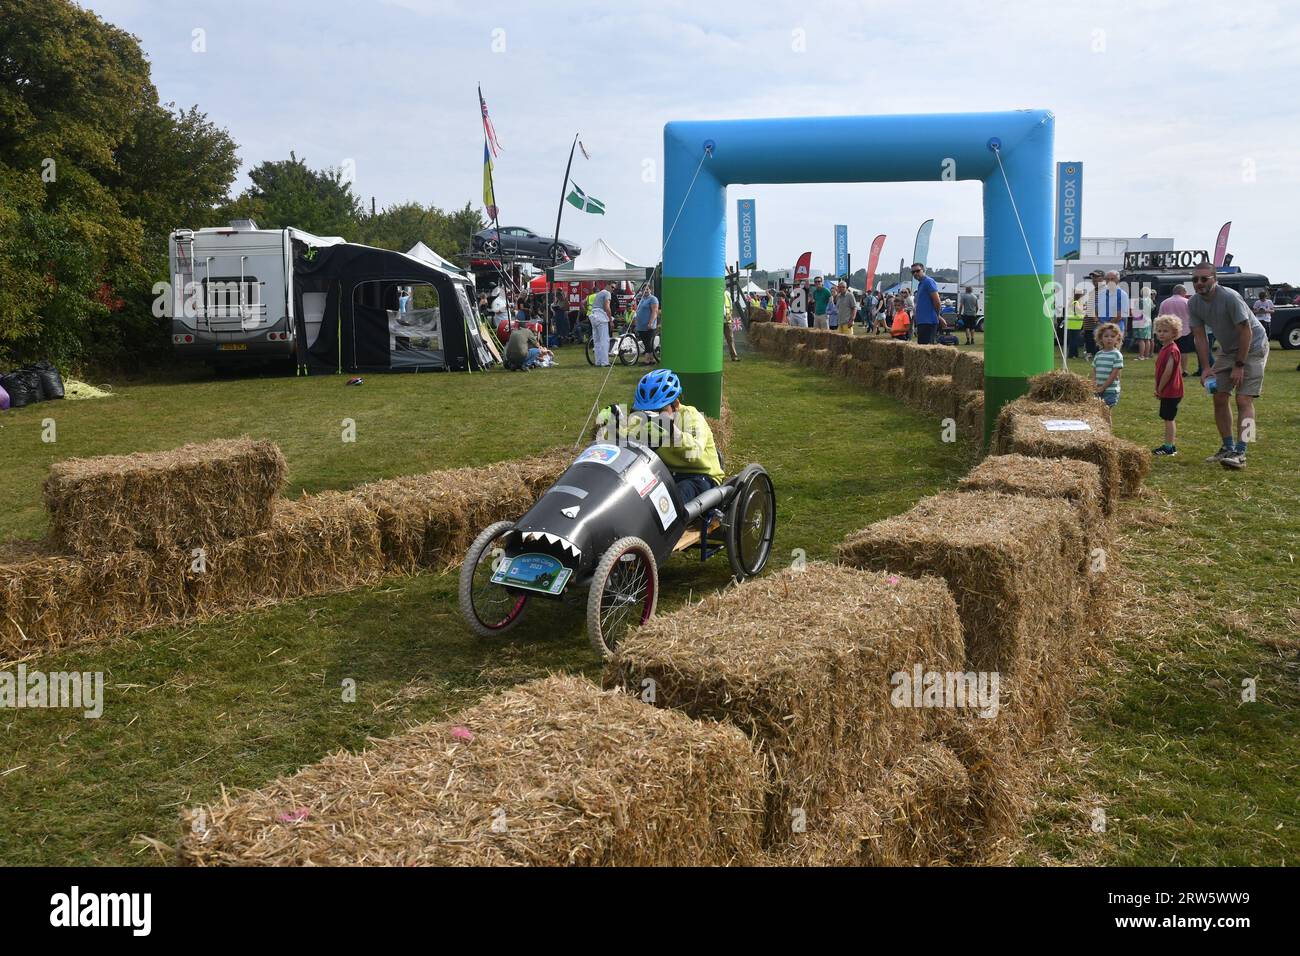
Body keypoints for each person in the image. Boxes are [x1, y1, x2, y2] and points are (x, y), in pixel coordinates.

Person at [596, 368, 724, 503]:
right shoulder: (646, 421)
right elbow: (627, 440)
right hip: (666, 473)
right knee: (635, 495)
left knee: (674, 499)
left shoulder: (691, 415)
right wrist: (613, 423)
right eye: (647, 412)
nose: (653, 417)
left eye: (659, 411)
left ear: (675, 404)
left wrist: (672, 431)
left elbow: (694, 451)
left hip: (700, 475)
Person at [1189, 261, 1270, 470]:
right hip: (1228, 350)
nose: (1199, 283)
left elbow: (1247, 332)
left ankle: (1242, 452)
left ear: (1215, 279)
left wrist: (1240, 365)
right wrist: (1206, 367)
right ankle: (1227, 447)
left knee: (1244, 399)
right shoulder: (1194, 303)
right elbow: (1200, 337)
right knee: (1219, 395)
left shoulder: (1230, 297)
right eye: (1195, 279)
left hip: (1253, 346)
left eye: (1204, 278)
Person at [1152, 315, 1183, 456]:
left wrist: (1160, 388)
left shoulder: (1172, 350)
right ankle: (1170, 445)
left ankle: (1169, 447)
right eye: (1159, 331)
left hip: (1171, 391)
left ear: (1174, 333)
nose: (1161, 334)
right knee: (1166, 417)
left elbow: (1168, 372)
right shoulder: (1165, 348)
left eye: (1165, 331)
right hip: (1167, 390)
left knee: (1169, 419)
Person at [1159, 284, 1194, 376]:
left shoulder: (1164, 302)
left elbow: (1160, 317)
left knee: (1169, 351)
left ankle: (1170, 369)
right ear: (1182, 292)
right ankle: (1184, 370)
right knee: (1183, 351)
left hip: (1168, 331)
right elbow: (1192, 317)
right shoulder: (1187, 302)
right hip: (1184, 330)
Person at [1092, 322, 1124, 408]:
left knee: (1106, 413)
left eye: (1112, 336)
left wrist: (1103, 387)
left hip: (1110, 391)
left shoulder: (1117, 355)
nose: (1109, 339)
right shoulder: (1098, 354)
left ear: (1117, 339)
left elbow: (1114, 375)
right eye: (1106, 336)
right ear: (1101, 338)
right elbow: (1094, 371)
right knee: (1098, 413)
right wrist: (1093, 384)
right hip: (1097, 390)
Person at [910, 264, 941, 345]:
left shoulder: (928, 281)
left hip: (928, 322)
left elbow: (937, 301)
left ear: (923, 270)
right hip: (923, 322)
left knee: (926, 351)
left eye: (917, 271)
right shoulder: (921, 284)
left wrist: (937, 316)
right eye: (913, 272)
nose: (915, 273)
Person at [1097, 271, 1128, 344]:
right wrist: (1098, 322)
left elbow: (1120, 315)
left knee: (1114, 351)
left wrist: (1107, 326)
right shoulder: (1101, 293)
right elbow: (1097, 309)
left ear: (1118, 280)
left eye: (1112, 279)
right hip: (1102, 327)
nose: (1110, 281)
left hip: (1116, 328)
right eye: (1107, 279)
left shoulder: (1122, 294)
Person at [590, 283, 613, 366]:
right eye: (612, 287)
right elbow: (607, 307)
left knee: (597, 341)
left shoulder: (599, 293)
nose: (613, 289)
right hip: (600, 316)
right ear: (607, 285)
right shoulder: (607, 293)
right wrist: (611, 320)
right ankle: (605, 362)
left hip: (593, 316)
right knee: (604, 340)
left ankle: (598, 361)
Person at [634, 290, 660, 365]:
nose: (646, 291)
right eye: (644, 289)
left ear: (651, 290)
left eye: (647, 289)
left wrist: (651, 322)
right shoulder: (642, 299)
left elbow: (655, 311)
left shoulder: (653, 299)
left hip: (648, 325)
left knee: (648, 342)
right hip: (641, 326)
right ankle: (651, 359)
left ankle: (647, 360)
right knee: (646, 342)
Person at [1131, 285, 1153, 360]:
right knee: (1147, 339)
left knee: (1141, 339)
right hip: (1148, 320)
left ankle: (1141, 356)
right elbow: (1153, 308)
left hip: (1141, 320)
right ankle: (1146, 356)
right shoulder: (1150, 300)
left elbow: (1136, 311)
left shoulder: (1140, 300)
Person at [1066, 290, 1085, 358]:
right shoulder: (1076, 302)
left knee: (1072, 339)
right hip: (1075, 324)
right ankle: (1072, 354)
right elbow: (1079, 311)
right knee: (1074, 340)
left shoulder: (1071, 302)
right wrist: (1084, 311)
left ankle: (1074, 354)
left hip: (1071, 323)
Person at [723, 287, 739, 361]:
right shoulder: (714, 292)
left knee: (730, 339)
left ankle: (734, 357)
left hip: (727, 320)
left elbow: (731, 307)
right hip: (717, 321)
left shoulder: (727, 294)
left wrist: (730, 315)